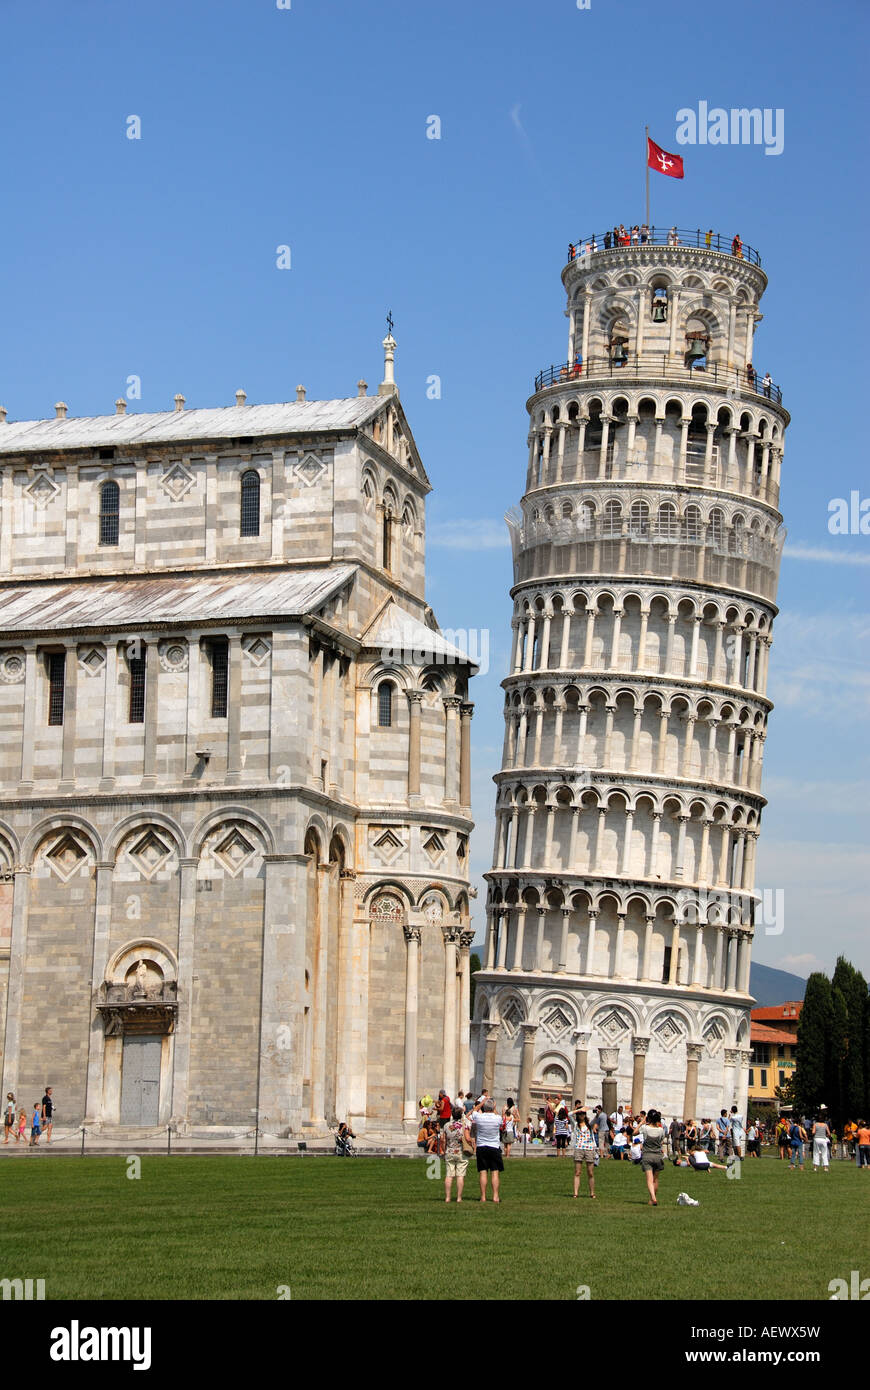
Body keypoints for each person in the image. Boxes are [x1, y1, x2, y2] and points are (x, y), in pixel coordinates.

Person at [471, 1099, 504, 1203]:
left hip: (481, 1146)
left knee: (483, 1172)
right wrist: (493, 1107)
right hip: (494, 1146)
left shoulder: (479, 1117)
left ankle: (483, 1197)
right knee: (495, 1172)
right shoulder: (497, 1118)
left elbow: (474, 1110)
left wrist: (482, 1102)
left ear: (483, 1108)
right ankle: (495, 1196)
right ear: (492, 1108)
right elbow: (501, 1120)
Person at [442, 1106, 470, 1203]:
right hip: (461, 1152)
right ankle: (459, 1198)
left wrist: (443, 1150)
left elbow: (443, 1140)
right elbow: (467, 1138)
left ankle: (447, 1197)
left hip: (449, 1151)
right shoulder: (464, 1125)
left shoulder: (446, 1125)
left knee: (449, 1175)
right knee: (460, 1176)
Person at [639, 1108, 665, 1205]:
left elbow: (634, 1133)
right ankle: (652, 1199)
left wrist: (642, 1122)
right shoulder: (661, 1130)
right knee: (655, 1179)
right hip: (658, 1155)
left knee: (649, 1179)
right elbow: (661, 1140)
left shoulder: (645, 1128)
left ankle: (653, 1198)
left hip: (647, 1155)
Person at [571, 1108, 597, 1198]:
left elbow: (598, 1116)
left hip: (589, 1149)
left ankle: (592, 1193)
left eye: (583, 1114)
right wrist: (579, 1109)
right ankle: (575, 1193)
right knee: (577, 1172)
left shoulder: (589, 1125)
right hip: (579, 1148)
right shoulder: (575, 1124)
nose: (582, 1115)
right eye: (580, 1114)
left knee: (590, 1172)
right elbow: (569, 1114)